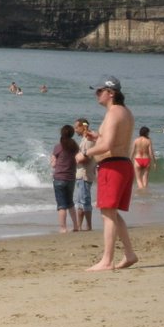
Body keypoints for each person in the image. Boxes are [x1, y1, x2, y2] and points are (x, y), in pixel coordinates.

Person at [76, 76, 138, 271]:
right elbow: (114, 139)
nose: (96, 94)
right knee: (111, 212)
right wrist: (97, 136)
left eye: (99, 91)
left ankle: (107, 260)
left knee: (107, 213)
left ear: (111, 93)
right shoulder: (125, 112)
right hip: (122, 164)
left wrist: (85, 152)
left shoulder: (113, 113)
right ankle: (129, 254)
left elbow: (107, 146)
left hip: (113, 166)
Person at [51, 124, 80, 233]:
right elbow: (78, 159)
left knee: (61, 205)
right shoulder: (75, 146)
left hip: (59, 178)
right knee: (70, 203)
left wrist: (53, 160)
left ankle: (63, 228)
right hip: (71, 178)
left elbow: (53, 164)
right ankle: (76, 226)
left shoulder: (58, 147)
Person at [74, 118, 96, 231]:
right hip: (81, 174)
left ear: (83, 127)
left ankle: (88, 226)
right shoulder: (85, 139)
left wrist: (75, 158)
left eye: (76, 127)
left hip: (85, 174)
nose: (75, 129)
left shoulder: (88, 140)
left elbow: (86, 158)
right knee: (80, 202)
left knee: (84, 201)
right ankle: (79, 225)